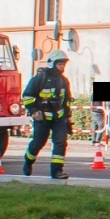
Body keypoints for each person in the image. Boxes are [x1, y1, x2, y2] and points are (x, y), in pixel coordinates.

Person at [22, 49, 72, 179]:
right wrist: (33, 111)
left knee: (60, 142)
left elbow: (66, 100)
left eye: (63, 65)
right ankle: (28, 160)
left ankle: (57, 171)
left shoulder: (64, 81)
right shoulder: (40, 79)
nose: (62, 67)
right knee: (38, 143)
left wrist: (67, 118)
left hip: (58, 118)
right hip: (42, 118)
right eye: (59, 64)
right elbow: (27, 96)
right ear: (52, 63)